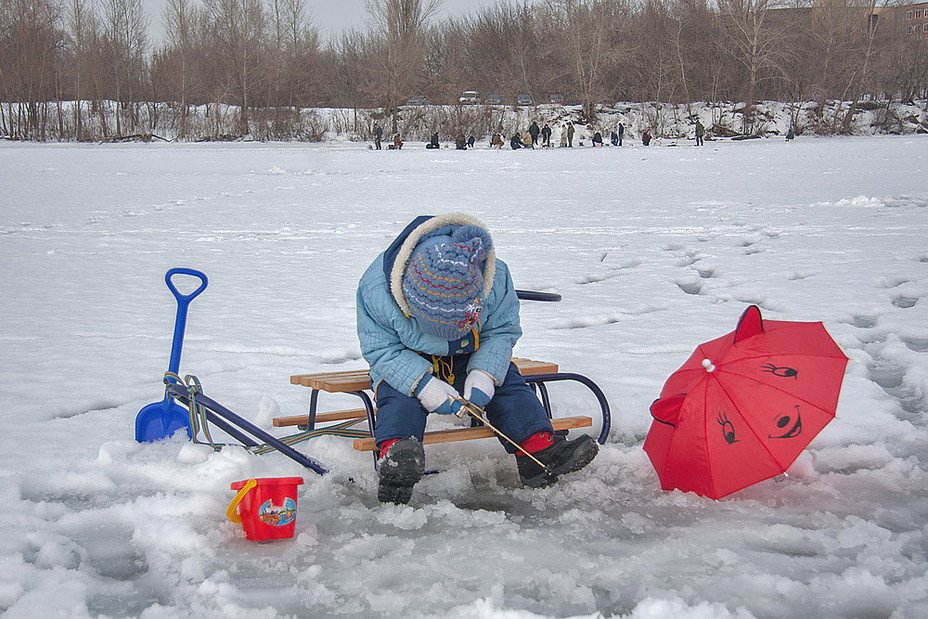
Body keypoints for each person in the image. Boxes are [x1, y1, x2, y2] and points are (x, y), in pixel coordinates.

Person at [356, 214, 599, 504]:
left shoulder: (494, 278)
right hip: (405, 361)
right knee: (398, 398)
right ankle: (398, 456)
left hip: (471, 353)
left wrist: (485, 373)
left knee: (507, 384)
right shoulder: (376, 290)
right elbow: (382, 351)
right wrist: (420, 384)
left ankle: (538, 450)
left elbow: (501, 330)